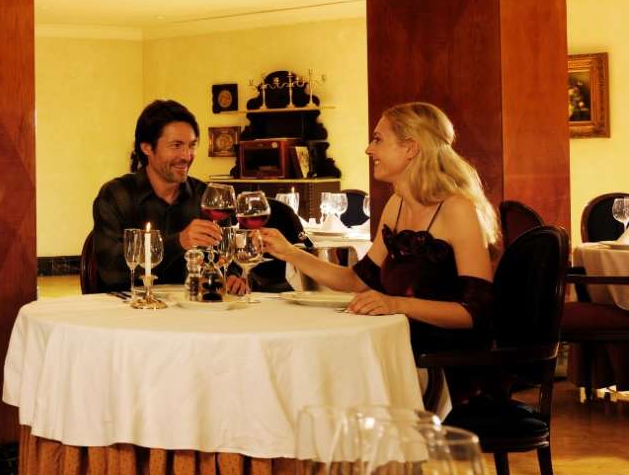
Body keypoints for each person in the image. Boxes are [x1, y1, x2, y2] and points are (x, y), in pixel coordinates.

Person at [257, 102, 496, 354]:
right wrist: (289, 252)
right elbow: (356, 280)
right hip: (397, 342)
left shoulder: (457, 208)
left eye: (378, 140)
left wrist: (395, 304)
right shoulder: (396, 204)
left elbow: (476, 311)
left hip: (442, 357)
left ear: (411, 148)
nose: (368, 149)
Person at [90, 100, 239, 292]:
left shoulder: (207, 197)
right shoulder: (116, 195)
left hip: (195, 313)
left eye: (192, 145)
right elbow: (111, 271)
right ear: (147, 148)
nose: (187, 155)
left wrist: (234, 276)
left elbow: (229, 258)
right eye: (176, 145)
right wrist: (177, 243)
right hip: (131, 313)